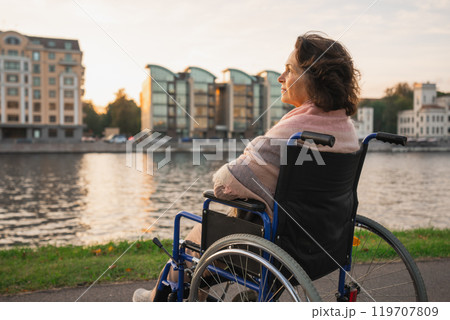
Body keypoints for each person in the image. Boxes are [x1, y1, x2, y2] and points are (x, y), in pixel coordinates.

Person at [133, 32, 361, 302]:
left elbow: (226, 182)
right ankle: (196, 292)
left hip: (278, 243)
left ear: (312, 78)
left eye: (289, 70)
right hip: (325, 241)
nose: (281, 77)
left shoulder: (292, 132)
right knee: (230, 227)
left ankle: (158, 298)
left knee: (197, 232)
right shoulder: (347, 131)